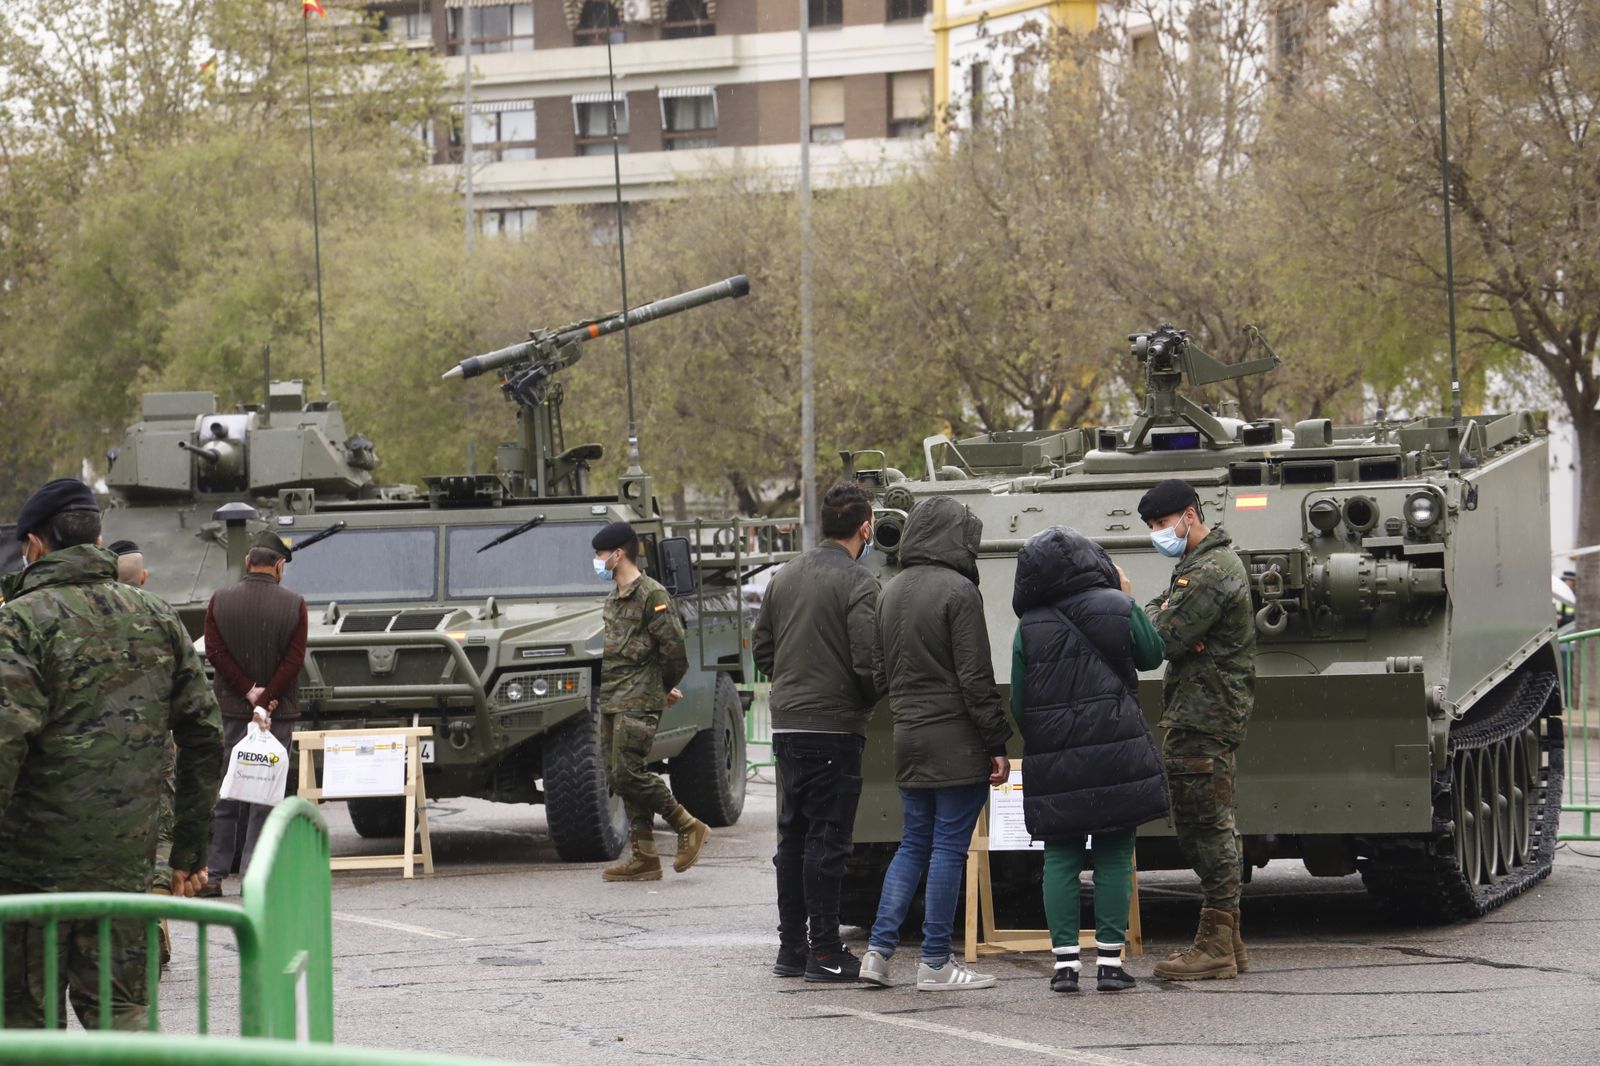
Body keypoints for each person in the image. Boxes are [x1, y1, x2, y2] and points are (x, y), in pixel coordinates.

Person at [0, 478, 223, 1029]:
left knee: (28, 1028)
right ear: (97, 538)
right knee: (123, 1017)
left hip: (31, 875)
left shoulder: (18, 622)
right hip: (125, 867)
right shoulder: (158, 616)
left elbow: (5, 739)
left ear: (35, 544)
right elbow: (203, 733)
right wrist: (188, 852)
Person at [859, 496, 1012, 992]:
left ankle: (878, 954)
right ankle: (934, 963)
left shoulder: (890, 589)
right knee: (949, 850)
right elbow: (975, 676)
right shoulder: (960, 591)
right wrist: (997, 740)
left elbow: (879, 674)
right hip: (958, 741)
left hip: (908, 736)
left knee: (912, 845)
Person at [1009, 526, 1168, 993]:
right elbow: (1153, 654)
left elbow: (1021, 700)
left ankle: (1064, 967)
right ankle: (1111, 964)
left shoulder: (1030, 625)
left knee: (1060, 854)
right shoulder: (1116, 605)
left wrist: (1047, 732)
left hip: (1055, 751)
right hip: (1116, 745)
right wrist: (1127, 597)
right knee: (1115, 853)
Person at [752, 483, 881, 983]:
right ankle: (825, 951)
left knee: (793, 837)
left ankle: (791, 949)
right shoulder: (859, 583)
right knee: (828, 840)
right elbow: (868, 661)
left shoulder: (785, 576)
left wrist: (793, 679)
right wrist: (865, 698)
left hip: (787, 724)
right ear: (865, 527)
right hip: (834, 727)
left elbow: (763, 650)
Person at [1138, 479, 1256, 981]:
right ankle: (1228, 939)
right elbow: (1156, 617)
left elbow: (1156, 638)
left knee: (1204, 824)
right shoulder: (1198, 566)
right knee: (1214, 821)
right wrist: (1160, 614)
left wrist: (1158, 615)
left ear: (1189, 515)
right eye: (1151, 528)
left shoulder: (1207, 572)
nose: (1158, 534)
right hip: (1203, 710)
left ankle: (1215, 945)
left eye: (1162, 524)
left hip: (1203, 715)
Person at [592, 521, 708, 882]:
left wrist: (657, 688)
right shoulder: (614, 597)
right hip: (614, 698)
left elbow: (674, 652)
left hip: (638, 701)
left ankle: (687, 824)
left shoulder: (652, 595)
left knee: (629, 771)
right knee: (618, 776)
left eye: (599, 554)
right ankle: (644, 857)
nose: (597, 561)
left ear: (618, 553)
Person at [200, 529, 308, 897]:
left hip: (232, 710)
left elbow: (214, 652)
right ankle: (252, 877)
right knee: (265, 793)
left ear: (248, 562)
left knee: (227, 790)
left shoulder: (220, 600)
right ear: (278, 566)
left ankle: (213, 875)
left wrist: (248, 691)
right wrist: (267, 698)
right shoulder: (295, 604)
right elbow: (294, 660)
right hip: (277, 714)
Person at [109, 539, 177, 966]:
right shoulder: (161, 617)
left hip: (102, 746)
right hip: (157, 741)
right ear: (144, 578)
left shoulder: (80, 617)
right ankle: (156, 924)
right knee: (161, 835)